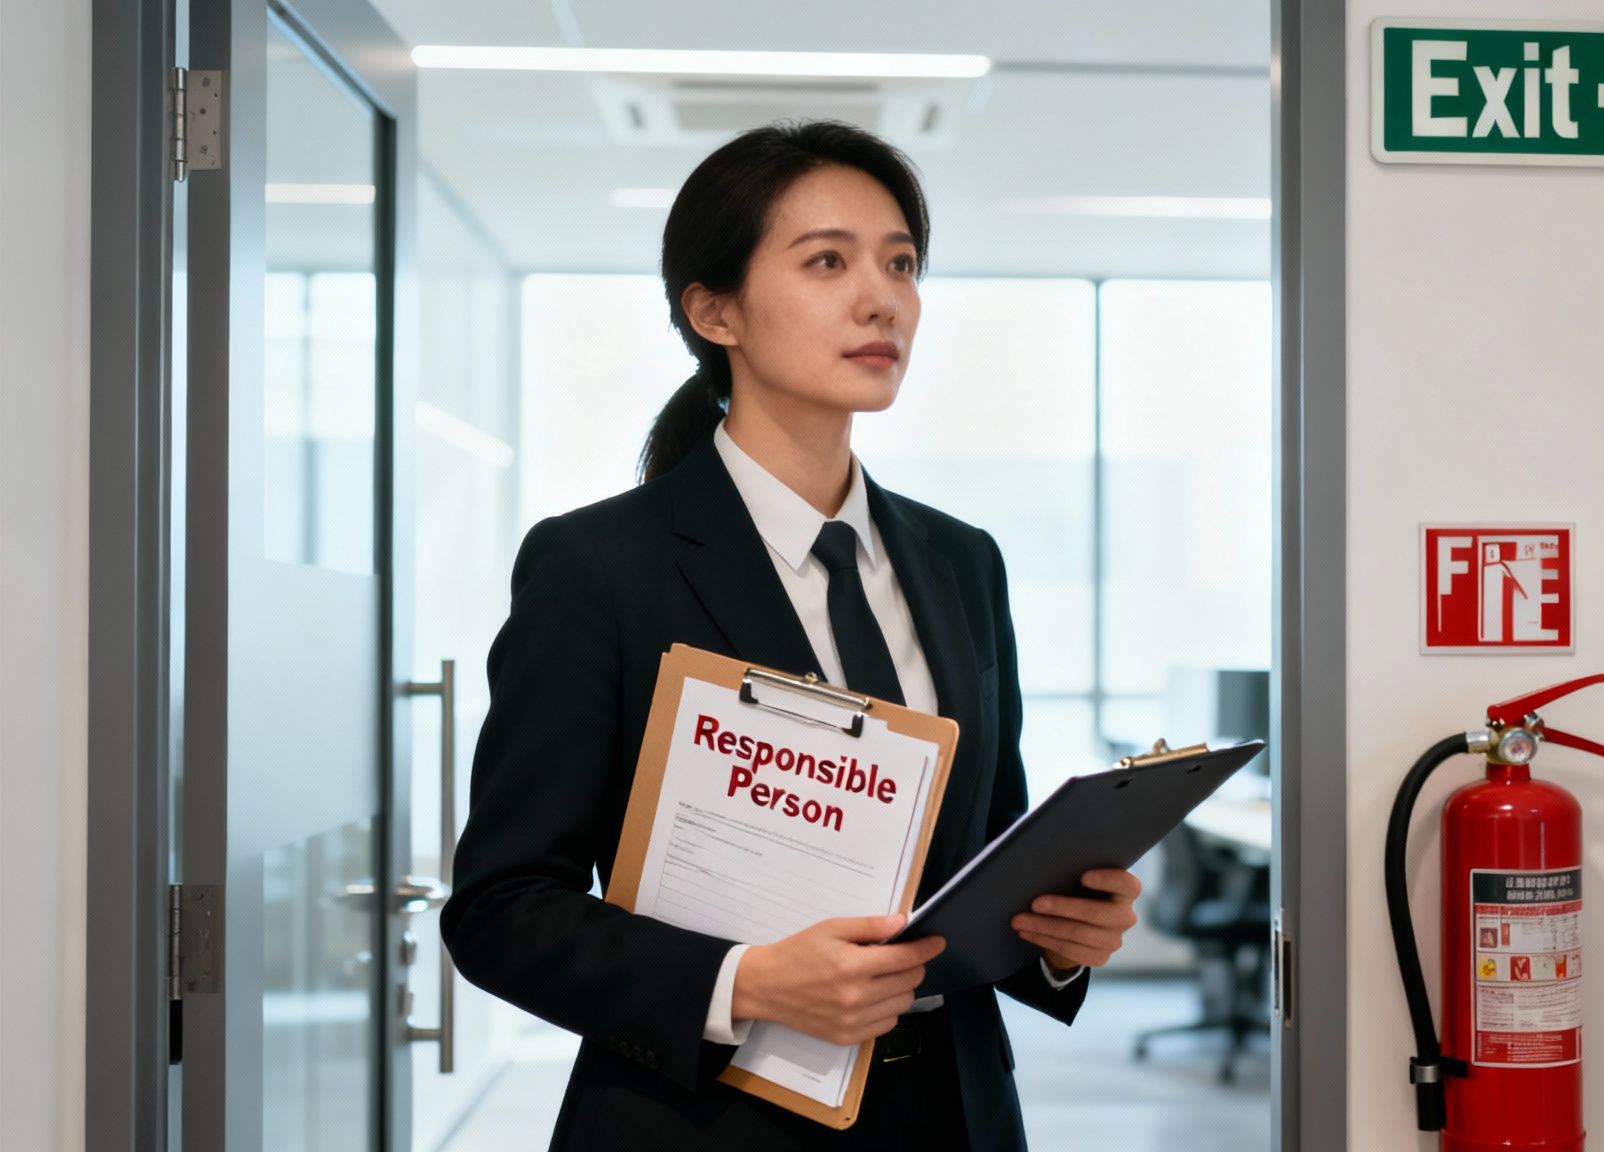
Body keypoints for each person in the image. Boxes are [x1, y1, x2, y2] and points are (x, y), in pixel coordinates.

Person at [440, 119, 1142, 1151]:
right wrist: (747, 981)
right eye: (826, 261)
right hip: (706, 1121)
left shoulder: (961, 563)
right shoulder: (599, 569)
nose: (881, 297)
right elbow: (501, 909)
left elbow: (981, 847)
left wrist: (1057, 939)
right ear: (713, 308)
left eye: (900, 263)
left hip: (952, 1114)